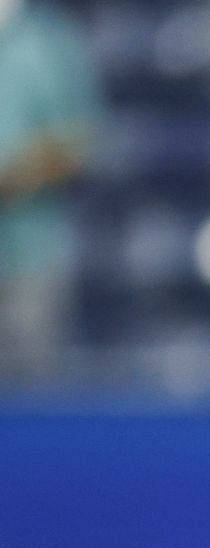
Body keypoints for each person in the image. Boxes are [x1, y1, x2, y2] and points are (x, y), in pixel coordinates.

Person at [0, 0, 99, 382]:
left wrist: (17, 177)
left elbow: (79, 141)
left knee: (32, 392)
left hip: (32, 254)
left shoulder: (50, 40)